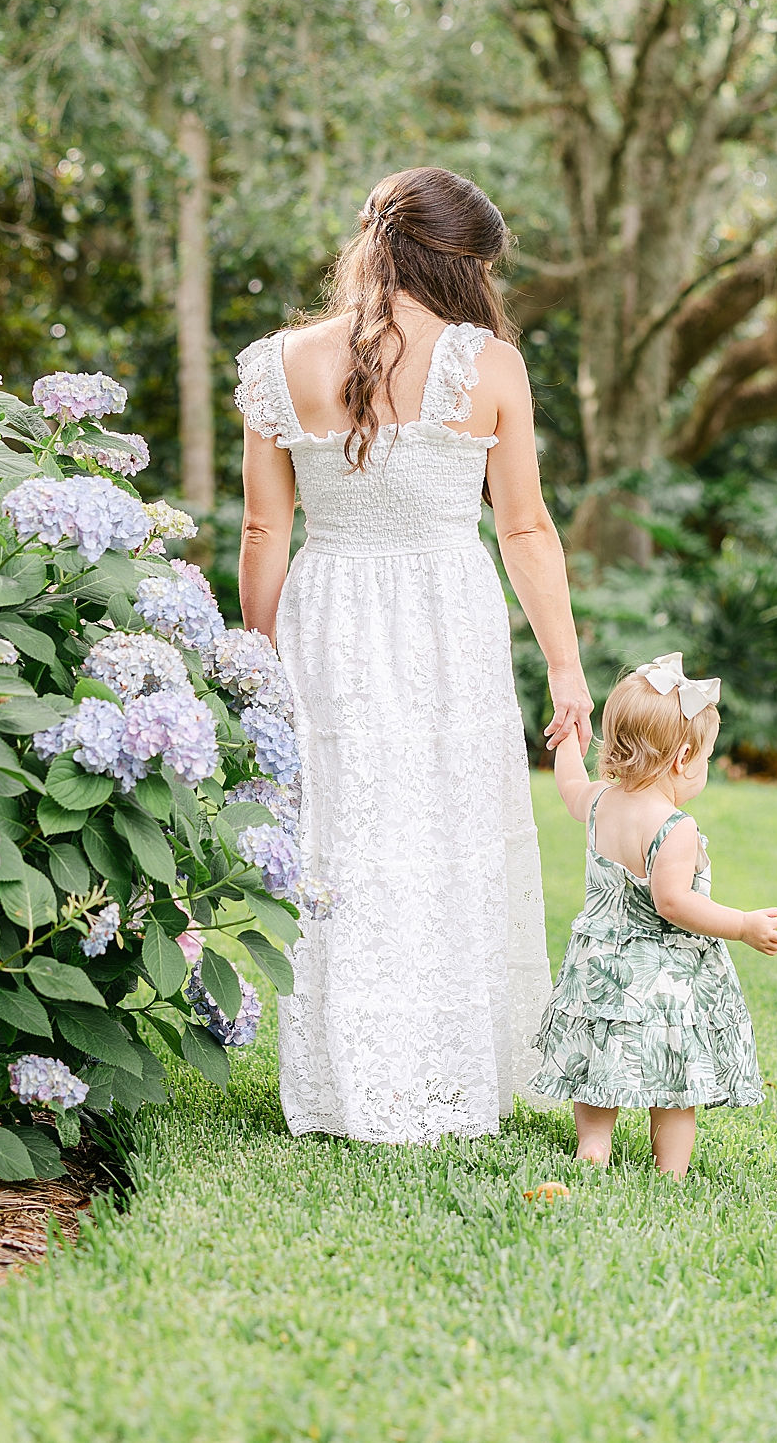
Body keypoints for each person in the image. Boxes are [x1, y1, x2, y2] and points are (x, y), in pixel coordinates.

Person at [235, 167, 591, 1145]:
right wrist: (565, 669)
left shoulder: (277, 364)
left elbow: (265, 532)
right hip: (444, 614)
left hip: (330, 615)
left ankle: (342, 1084)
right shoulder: (489, 366)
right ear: (458, 260)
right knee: (441, 831)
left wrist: (254, 662)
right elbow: (524, 531)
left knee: (342, 838)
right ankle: (443, 1078)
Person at [531, 654, 777, 1178]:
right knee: (673, 1075)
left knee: (599, 1055)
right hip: (662, 976)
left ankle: (593, 1148)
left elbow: (568, 789)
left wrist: (567, 743)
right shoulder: (676, 827)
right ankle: (671, 1168)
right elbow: (673, 903)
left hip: (599, 965)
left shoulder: (600, 800)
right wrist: (742, 924)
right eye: (707, 759)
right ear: (683, 757)